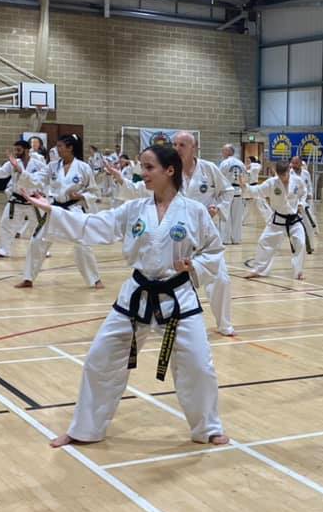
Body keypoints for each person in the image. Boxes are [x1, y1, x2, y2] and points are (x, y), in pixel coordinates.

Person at [23, 145, 229, 449]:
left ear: (170, 170)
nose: (142, 173)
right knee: (99, 359)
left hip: (178, 296)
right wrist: (52, 210)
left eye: (149, 167)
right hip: (136, 295)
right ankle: (85, 429)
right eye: (142, 167)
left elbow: (214, 250)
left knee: (199, 365)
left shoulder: (194, 211)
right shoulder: (134, 209)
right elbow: (95, 225)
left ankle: (207, 428)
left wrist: (194, 265)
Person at [113, 131, 234, 336]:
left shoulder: (208, 169)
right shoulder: (168, 170)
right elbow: (140, 189)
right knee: (169, 281)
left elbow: (228, 191)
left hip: (202, 234)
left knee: (221, 278)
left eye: (182, 145)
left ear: (194, 148)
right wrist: (121, 181)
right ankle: (165, 322)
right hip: (175, 237)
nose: (177, 148)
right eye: (175, 144)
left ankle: (224, 324)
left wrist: (218, 208)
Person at [15, 134, 103, 289]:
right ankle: (28, 278)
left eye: (60, 146)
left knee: (82, 244)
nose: (57, 149)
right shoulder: (52, 166)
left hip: (74, 210)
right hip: (54, 208)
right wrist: (21, 171)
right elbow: (36, 179)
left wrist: (81, 195)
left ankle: (95, 280)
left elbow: (95, 192)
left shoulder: (83, 167)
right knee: (37, 241)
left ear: (70, 148)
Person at [240, 160, 309, 280]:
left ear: (289, 171)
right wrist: (244, 186)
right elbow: (257, 191)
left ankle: (298, 272)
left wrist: (301, 204)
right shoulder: (271, 183)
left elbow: (304, 193)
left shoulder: (298, 181)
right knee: (264, 241)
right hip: (278, 220)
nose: (282, 178)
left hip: (294, 220)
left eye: (284, 174)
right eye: (280, 175)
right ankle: (258, 270)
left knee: (301, 243)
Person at [0, 140, 46, 258]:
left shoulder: (38, 164)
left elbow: (44, 180)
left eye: (18, 150)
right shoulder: (12, 163)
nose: (16, 152)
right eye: (15, 150)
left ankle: (43, 250)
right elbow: (0, 173)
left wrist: (43, 193)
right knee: (6, 224)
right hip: (16, 200)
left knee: (40, 226)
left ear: (27, 150)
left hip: (34, 201)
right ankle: (3, 250)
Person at [290, 156, 318, 251]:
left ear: (301, 163)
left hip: (306, 202)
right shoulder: (289, 174)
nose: (294, 165)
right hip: (294, 202)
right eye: (293, 163)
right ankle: (296, 246)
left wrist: (310, 194)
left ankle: (310, 246)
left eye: (296, 163)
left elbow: (309, 185)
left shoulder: (306, 173)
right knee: (294, 226)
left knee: (308, 224)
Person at [219, 144, 246, 244]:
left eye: (223, 150)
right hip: (238, 191)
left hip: (227, 192)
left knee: (226, 216)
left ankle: (225, 239)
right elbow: (245, 178)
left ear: (229, 151)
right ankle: (236, 238)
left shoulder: (224, 163)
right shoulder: (241, 163)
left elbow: (219, 178)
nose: (222, 153)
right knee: (237, 217)